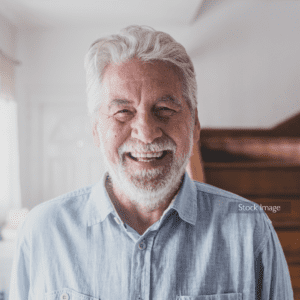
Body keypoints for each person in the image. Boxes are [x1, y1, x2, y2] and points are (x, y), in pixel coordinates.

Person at [10, 25, 293, 300]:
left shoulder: (251, 230)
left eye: (165, 110)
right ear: (96, 129)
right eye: (123, 112)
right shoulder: (43, 231)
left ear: (195, 125)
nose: (146, 134)